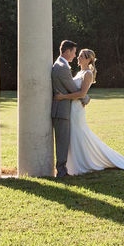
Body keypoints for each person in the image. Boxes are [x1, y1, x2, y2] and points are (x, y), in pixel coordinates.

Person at [50, 40, 86, 177]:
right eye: (74, 52)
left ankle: (62, 169)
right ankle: (61, 171)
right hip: (61, 110)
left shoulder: (61, 65)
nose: (75, 55)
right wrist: (85, 97)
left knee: (63, 140)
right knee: (62, 141)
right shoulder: (61, 67)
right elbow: (73, 88)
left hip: (62, 109)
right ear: (67, 51)